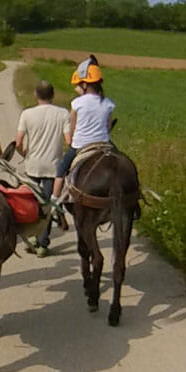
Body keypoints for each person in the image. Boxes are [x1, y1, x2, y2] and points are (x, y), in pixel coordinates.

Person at [15, 80, 70, 257]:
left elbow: (18, 142)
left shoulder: (27, 114)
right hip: (53, 166)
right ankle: (43, 244)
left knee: (31, 203)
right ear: (52, 95)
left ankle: (31, 237)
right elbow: (69, 141)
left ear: (35, 95)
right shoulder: (62, 113)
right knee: (47, 204)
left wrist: (24, 154)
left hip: (33, 165)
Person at [51, 55, 115, 200]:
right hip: (103, 144)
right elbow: (108, 127)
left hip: (80, 145)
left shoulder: (77, 103)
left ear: (85, 85)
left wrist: (71, 140)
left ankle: (54, 199)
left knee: (61, 169)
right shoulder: (108, 103)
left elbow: (72, 127)